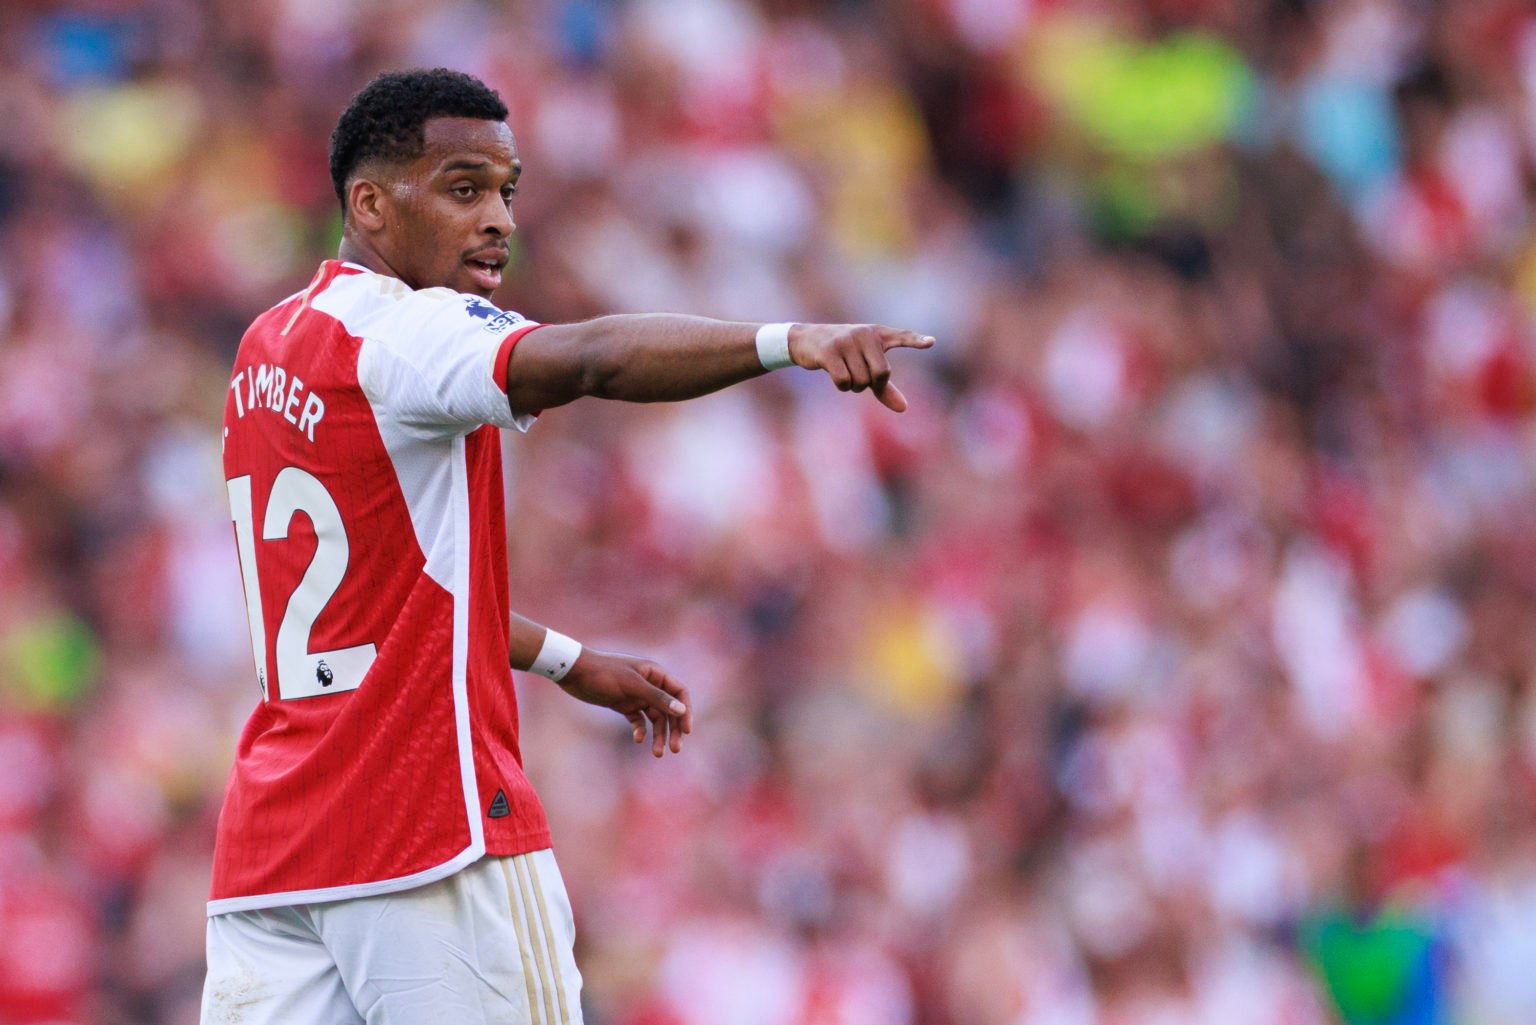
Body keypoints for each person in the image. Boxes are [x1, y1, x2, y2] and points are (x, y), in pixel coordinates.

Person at [203, 67, 933, 1025]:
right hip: (430, 833)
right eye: (464, 189)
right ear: (370, 203)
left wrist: (569, 658)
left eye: (507, 192)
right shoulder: (410, 332)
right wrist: (787, 339)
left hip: (278, 851)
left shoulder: (267, 347)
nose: (499, 218)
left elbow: (389, 595)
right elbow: (591, 359)